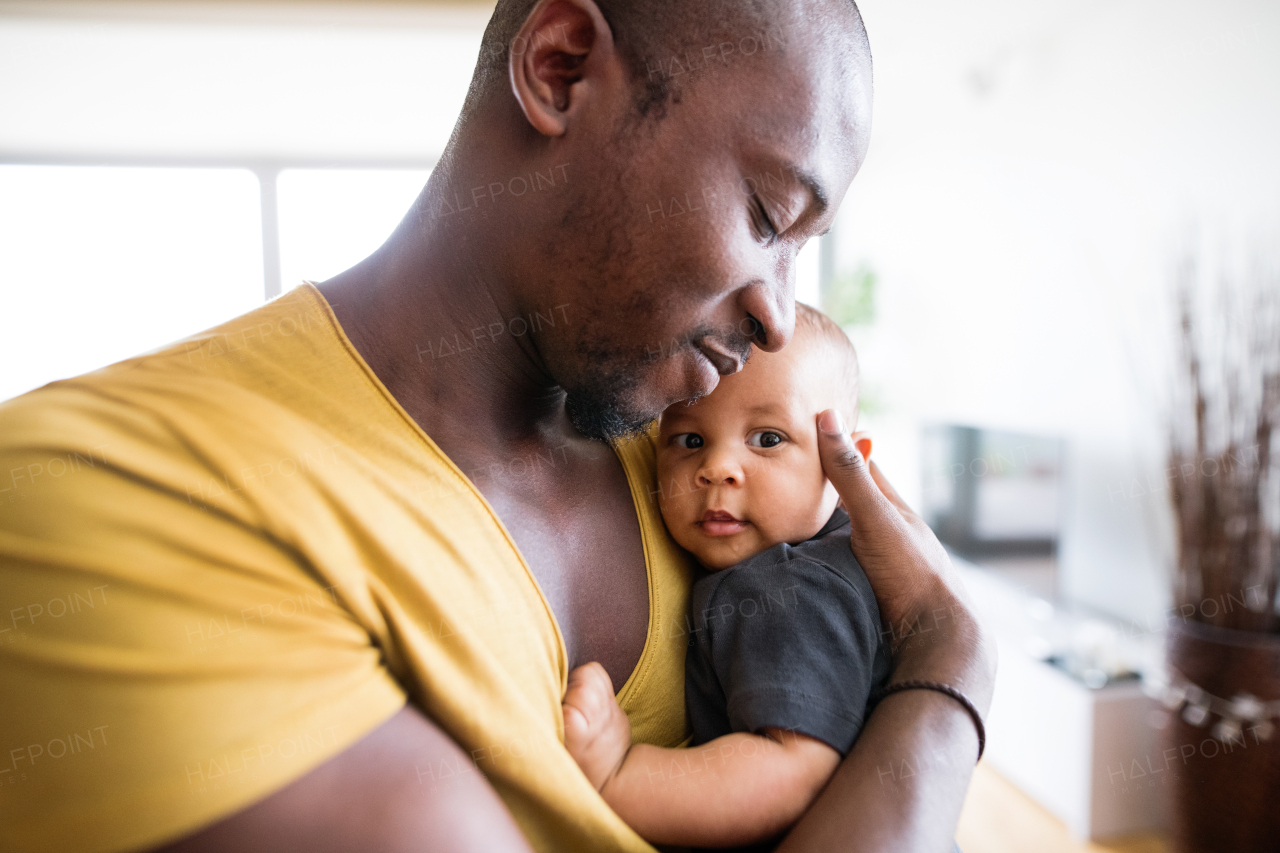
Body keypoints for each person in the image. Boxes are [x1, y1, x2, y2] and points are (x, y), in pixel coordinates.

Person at [0, 1, 995, 851]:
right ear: (559, 68)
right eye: (766, 213)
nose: (776, 314)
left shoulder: (681, 452)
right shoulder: (109, 491)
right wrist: (950, 671)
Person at [561, 305, 891, 849]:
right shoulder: (800, 558)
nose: (717, 469)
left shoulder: (790, 588)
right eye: (689, 441)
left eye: (766, 440)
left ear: (846, 464)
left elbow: (789, 773)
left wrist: (619, 775)